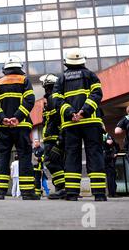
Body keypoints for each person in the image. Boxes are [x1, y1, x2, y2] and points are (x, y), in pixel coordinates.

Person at [52, 48, 107, 201]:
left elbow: (56, 100)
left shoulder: (61, 79)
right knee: (94, 154)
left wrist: (71, 113)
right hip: (91, 121)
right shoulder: (91, 75)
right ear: (83, 60)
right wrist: (84, 111)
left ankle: (72, 193)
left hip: (70, 124)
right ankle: (99, 194)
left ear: (66, 62)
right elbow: (97, 95)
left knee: (72, 156)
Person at [0, 56, 38, 200]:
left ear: (5, 69)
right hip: (21, 126)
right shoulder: (24, 80)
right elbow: (30, 100)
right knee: (24, 156)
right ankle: (27, 193)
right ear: (19, 68)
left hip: (3, 128)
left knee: (3, 157)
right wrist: (17, 117)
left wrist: (3, 118)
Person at [39, 73, 66, 200]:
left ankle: (62, 188)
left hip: (54, 138)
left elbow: (58, 121)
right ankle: (61, 189)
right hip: (51, 138)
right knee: (57, 163)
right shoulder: (50, 100)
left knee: (51, 162)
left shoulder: (52, 99)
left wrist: (60, 140)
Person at [102, 131, 119, 197]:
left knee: (110, 176)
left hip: (103, 157)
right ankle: (112, 193)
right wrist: (115, 153)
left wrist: (115, 153)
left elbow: (114, 144)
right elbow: (113, 143)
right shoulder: (106, 135)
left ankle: (110, 193)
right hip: (107, 157)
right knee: (111, 175)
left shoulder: (104, 135)